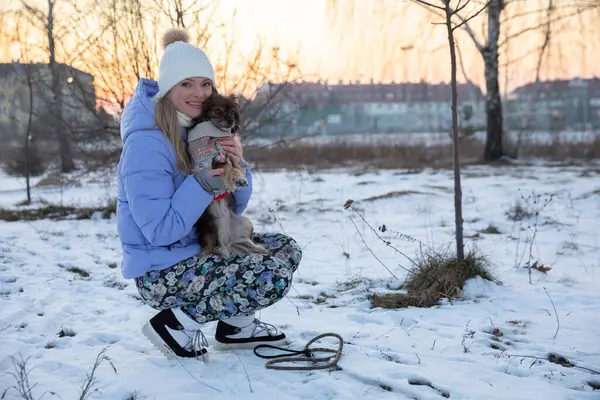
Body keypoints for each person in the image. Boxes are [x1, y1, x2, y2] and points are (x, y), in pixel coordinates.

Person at [116, 28, 303, 360]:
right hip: (163, 271)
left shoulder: (199, 131)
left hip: (199, 249)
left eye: (205, 84)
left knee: (284, 250)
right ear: (166, 89)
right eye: (186, 84)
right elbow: (159, 232)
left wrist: (236, 163)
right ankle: (176, 324)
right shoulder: (146, 145)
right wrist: (203, 182)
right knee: (270, 275)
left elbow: (236, 204)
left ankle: (236, 328)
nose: (199, 93)